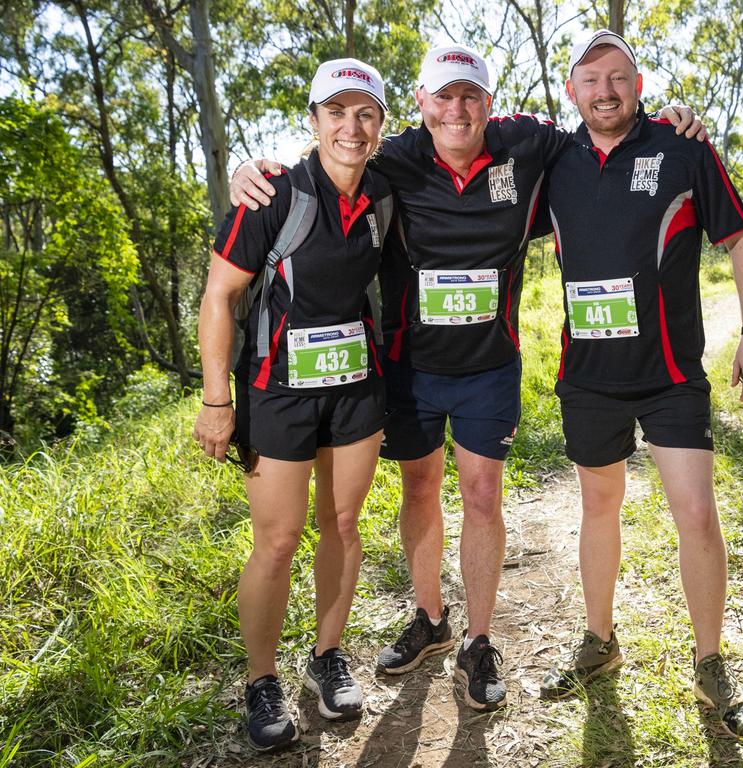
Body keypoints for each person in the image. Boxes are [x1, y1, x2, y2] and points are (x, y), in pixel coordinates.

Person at [228, 44, 705, 712]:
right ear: (421, 103)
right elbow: (325, 160)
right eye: (443, 96)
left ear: (489, 102)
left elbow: (606, 131)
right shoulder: (390, 158)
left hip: (489, 367)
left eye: (470, 95)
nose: (456, 109)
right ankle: (430, 619)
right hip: (409, 368)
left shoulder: (530, 145)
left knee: (483, 496)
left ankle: (479, 640)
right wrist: (245, 167)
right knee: (419, 490)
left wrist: (668, 119)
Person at [536, 31, 743, 741]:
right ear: (571, 89)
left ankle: (710, 665)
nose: (604, 91)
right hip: (589, 379)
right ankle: (599, 643)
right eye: (590, 80)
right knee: (598, 506)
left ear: (637, 83)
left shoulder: (683, 148)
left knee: (696, 514)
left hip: (671, 376)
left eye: (617, 77)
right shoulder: (551, 159)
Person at [193, 58, 391, 750]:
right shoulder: (271, 192)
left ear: (380, 126)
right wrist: (218, 399)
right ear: (313, 122)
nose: (350, 126)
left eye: (365, 113)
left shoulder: (386, 192)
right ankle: (261, 681)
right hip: (276, 391)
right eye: (335, 112)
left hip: (355, 386)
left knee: (343, 520)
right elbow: (219, 297)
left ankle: (327, 657)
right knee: (277, 540)